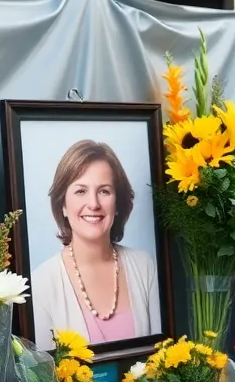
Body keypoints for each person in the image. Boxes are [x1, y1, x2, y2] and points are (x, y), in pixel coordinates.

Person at [31, 140, 159, 350]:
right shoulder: (42, 284)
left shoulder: (144, 266)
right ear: (63, 204)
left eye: (104, 191)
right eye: (81, 191)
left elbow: (161, 359)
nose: (93, 203)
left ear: (117, 204)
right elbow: (44, 379)